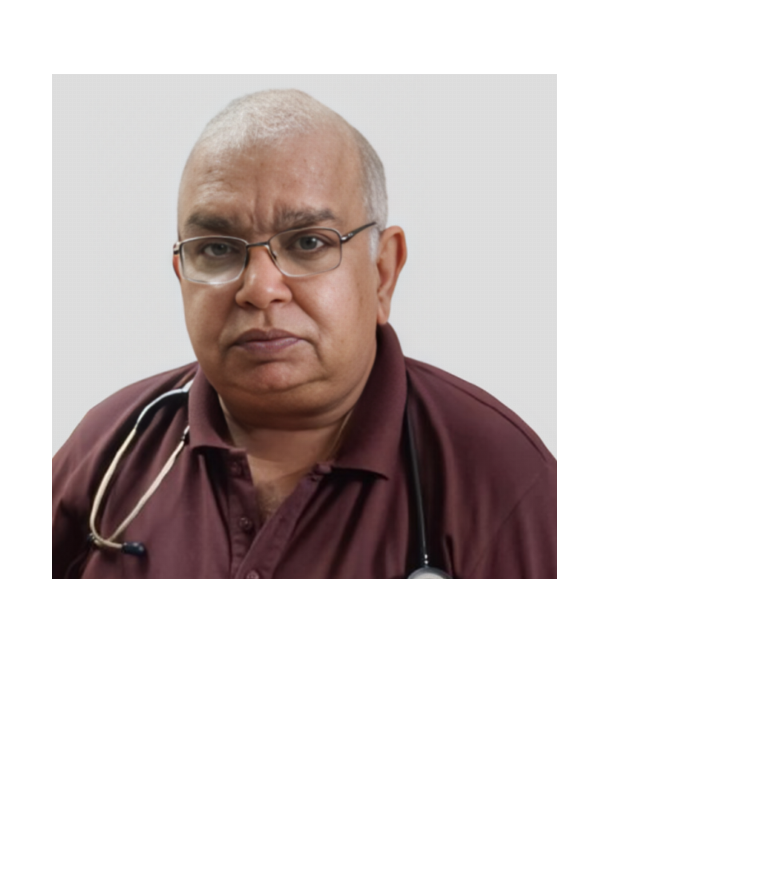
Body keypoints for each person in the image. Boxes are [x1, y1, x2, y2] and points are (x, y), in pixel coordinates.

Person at [52, 90, 556, 580]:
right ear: (182, 275)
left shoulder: (505, 482)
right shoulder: (107, 447)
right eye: (218, 249)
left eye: (309, 242)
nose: (259, 289)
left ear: (382, 272)